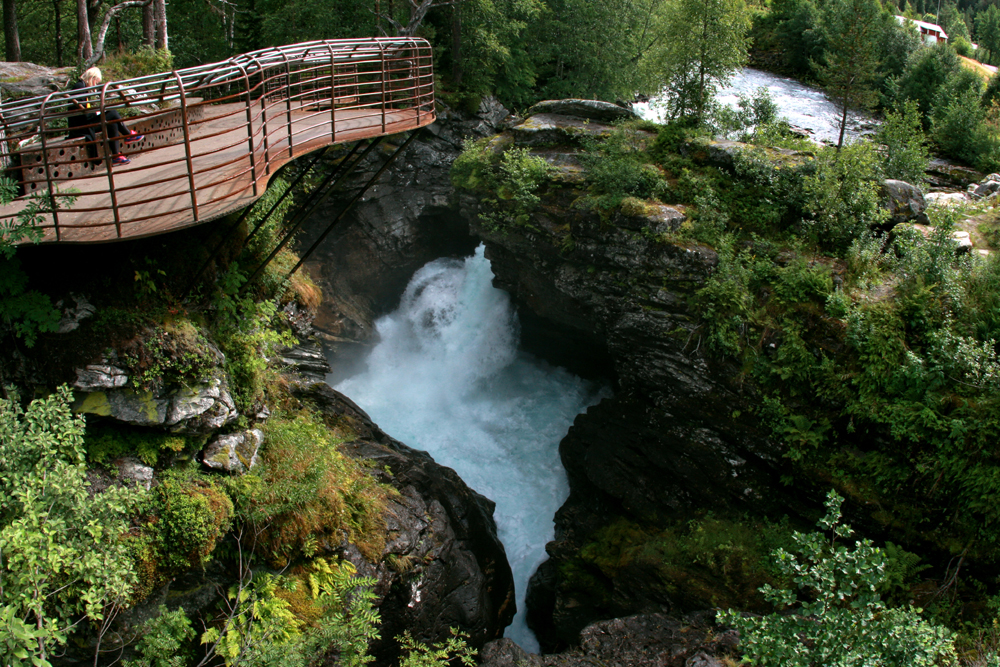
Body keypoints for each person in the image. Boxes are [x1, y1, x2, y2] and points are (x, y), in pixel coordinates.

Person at [67, 67, 144, 166]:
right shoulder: (79, 87)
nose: (95, 85)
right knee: (113, 112)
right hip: (83, 125)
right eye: (96, 82)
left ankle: (116, 156)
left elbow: (85, 108)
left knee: (112, 121)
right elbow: (81, 110)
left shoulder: (83, 87)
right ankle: (128, 135)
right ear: (92, 78)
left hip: (87, 122)